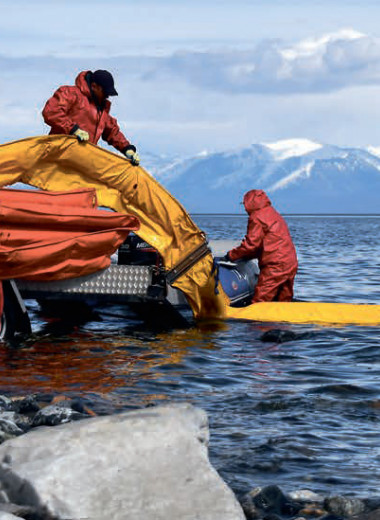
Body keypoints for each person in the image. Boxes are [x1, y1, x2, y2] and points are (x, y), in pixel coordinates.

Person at [42, 69, 140, 165]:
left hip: (81, 162)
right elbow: (51, 111)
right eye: (105, 92)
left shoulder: (101, 110)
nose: (107, 96)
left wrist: (127, 149)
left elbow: (112, 132)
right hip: (58, 157)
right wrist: (73, 129)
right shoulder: (70, 93)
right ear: (94, 86)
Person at [225, 189, 298, 303]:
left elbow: (251, 244)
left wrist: (231, 256)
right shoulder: (273, 213)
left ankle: (255, 321)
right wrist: (245, 256)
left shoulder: (256, 216)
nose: (244, 208)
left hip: (275, 265)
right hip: (290, 261)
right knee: (283, 300)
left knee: (260, 301)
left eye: (244, 204)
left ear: (249, 202)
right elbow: (265, 244)